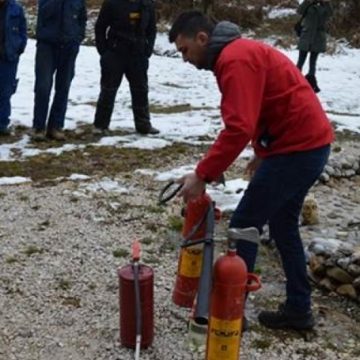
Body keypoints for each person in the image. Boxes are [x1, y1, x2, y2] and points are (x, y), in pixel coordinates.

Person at [169, 11, 333, 330]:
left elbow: (238, 127)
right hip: (304, 144)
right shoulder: (237, 53)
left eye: (184, 50)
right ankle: (299, 309)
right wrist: (262, 152)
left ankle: (230, 314)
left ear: (202, 38)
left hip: (299, 148)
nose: (184, 59)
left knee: (244, 224)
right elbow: (263, 106)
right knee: (283, 225)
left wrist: (202, 174)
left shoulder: (235, 60)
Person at [93, 0, 159, 135]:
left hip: (138, 54)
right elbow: (100, 27)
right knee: (108, 90)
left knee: (140, 90)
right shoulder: (111, 3)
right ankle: (100, 125)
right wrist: (104, 51)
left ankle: (143, 125)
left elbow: (152, 30)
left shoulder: (147, 4)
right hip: (115, 53)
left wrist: (148, 50)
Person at [31, 0, 87, 141]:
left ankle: (55, 126)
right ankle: (38, 127)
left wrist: (77, 38)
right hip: (47, 46)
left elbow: (82, 19)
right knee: (43, 86)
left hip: (69, 46)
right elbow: (43, 16)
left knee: (63, 87)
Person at [0, 0, 26, 136]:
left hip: (8, 56)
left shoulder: (16, 8)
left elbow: (23, 29)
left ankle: (2, 124)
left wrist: (19, 48)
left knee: (5, 91)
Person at [296, 0, 333, 93]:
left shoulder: (325, 5)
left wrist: (327, 2)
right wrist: (307, 1)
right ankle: (294, 79)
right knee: (300, 61)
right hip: (306, 35)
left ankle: (311, 84)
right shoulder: (309, 4)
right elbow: (299, 11)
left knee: (313, 62)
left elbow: (330, 14)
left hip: (318, 38)